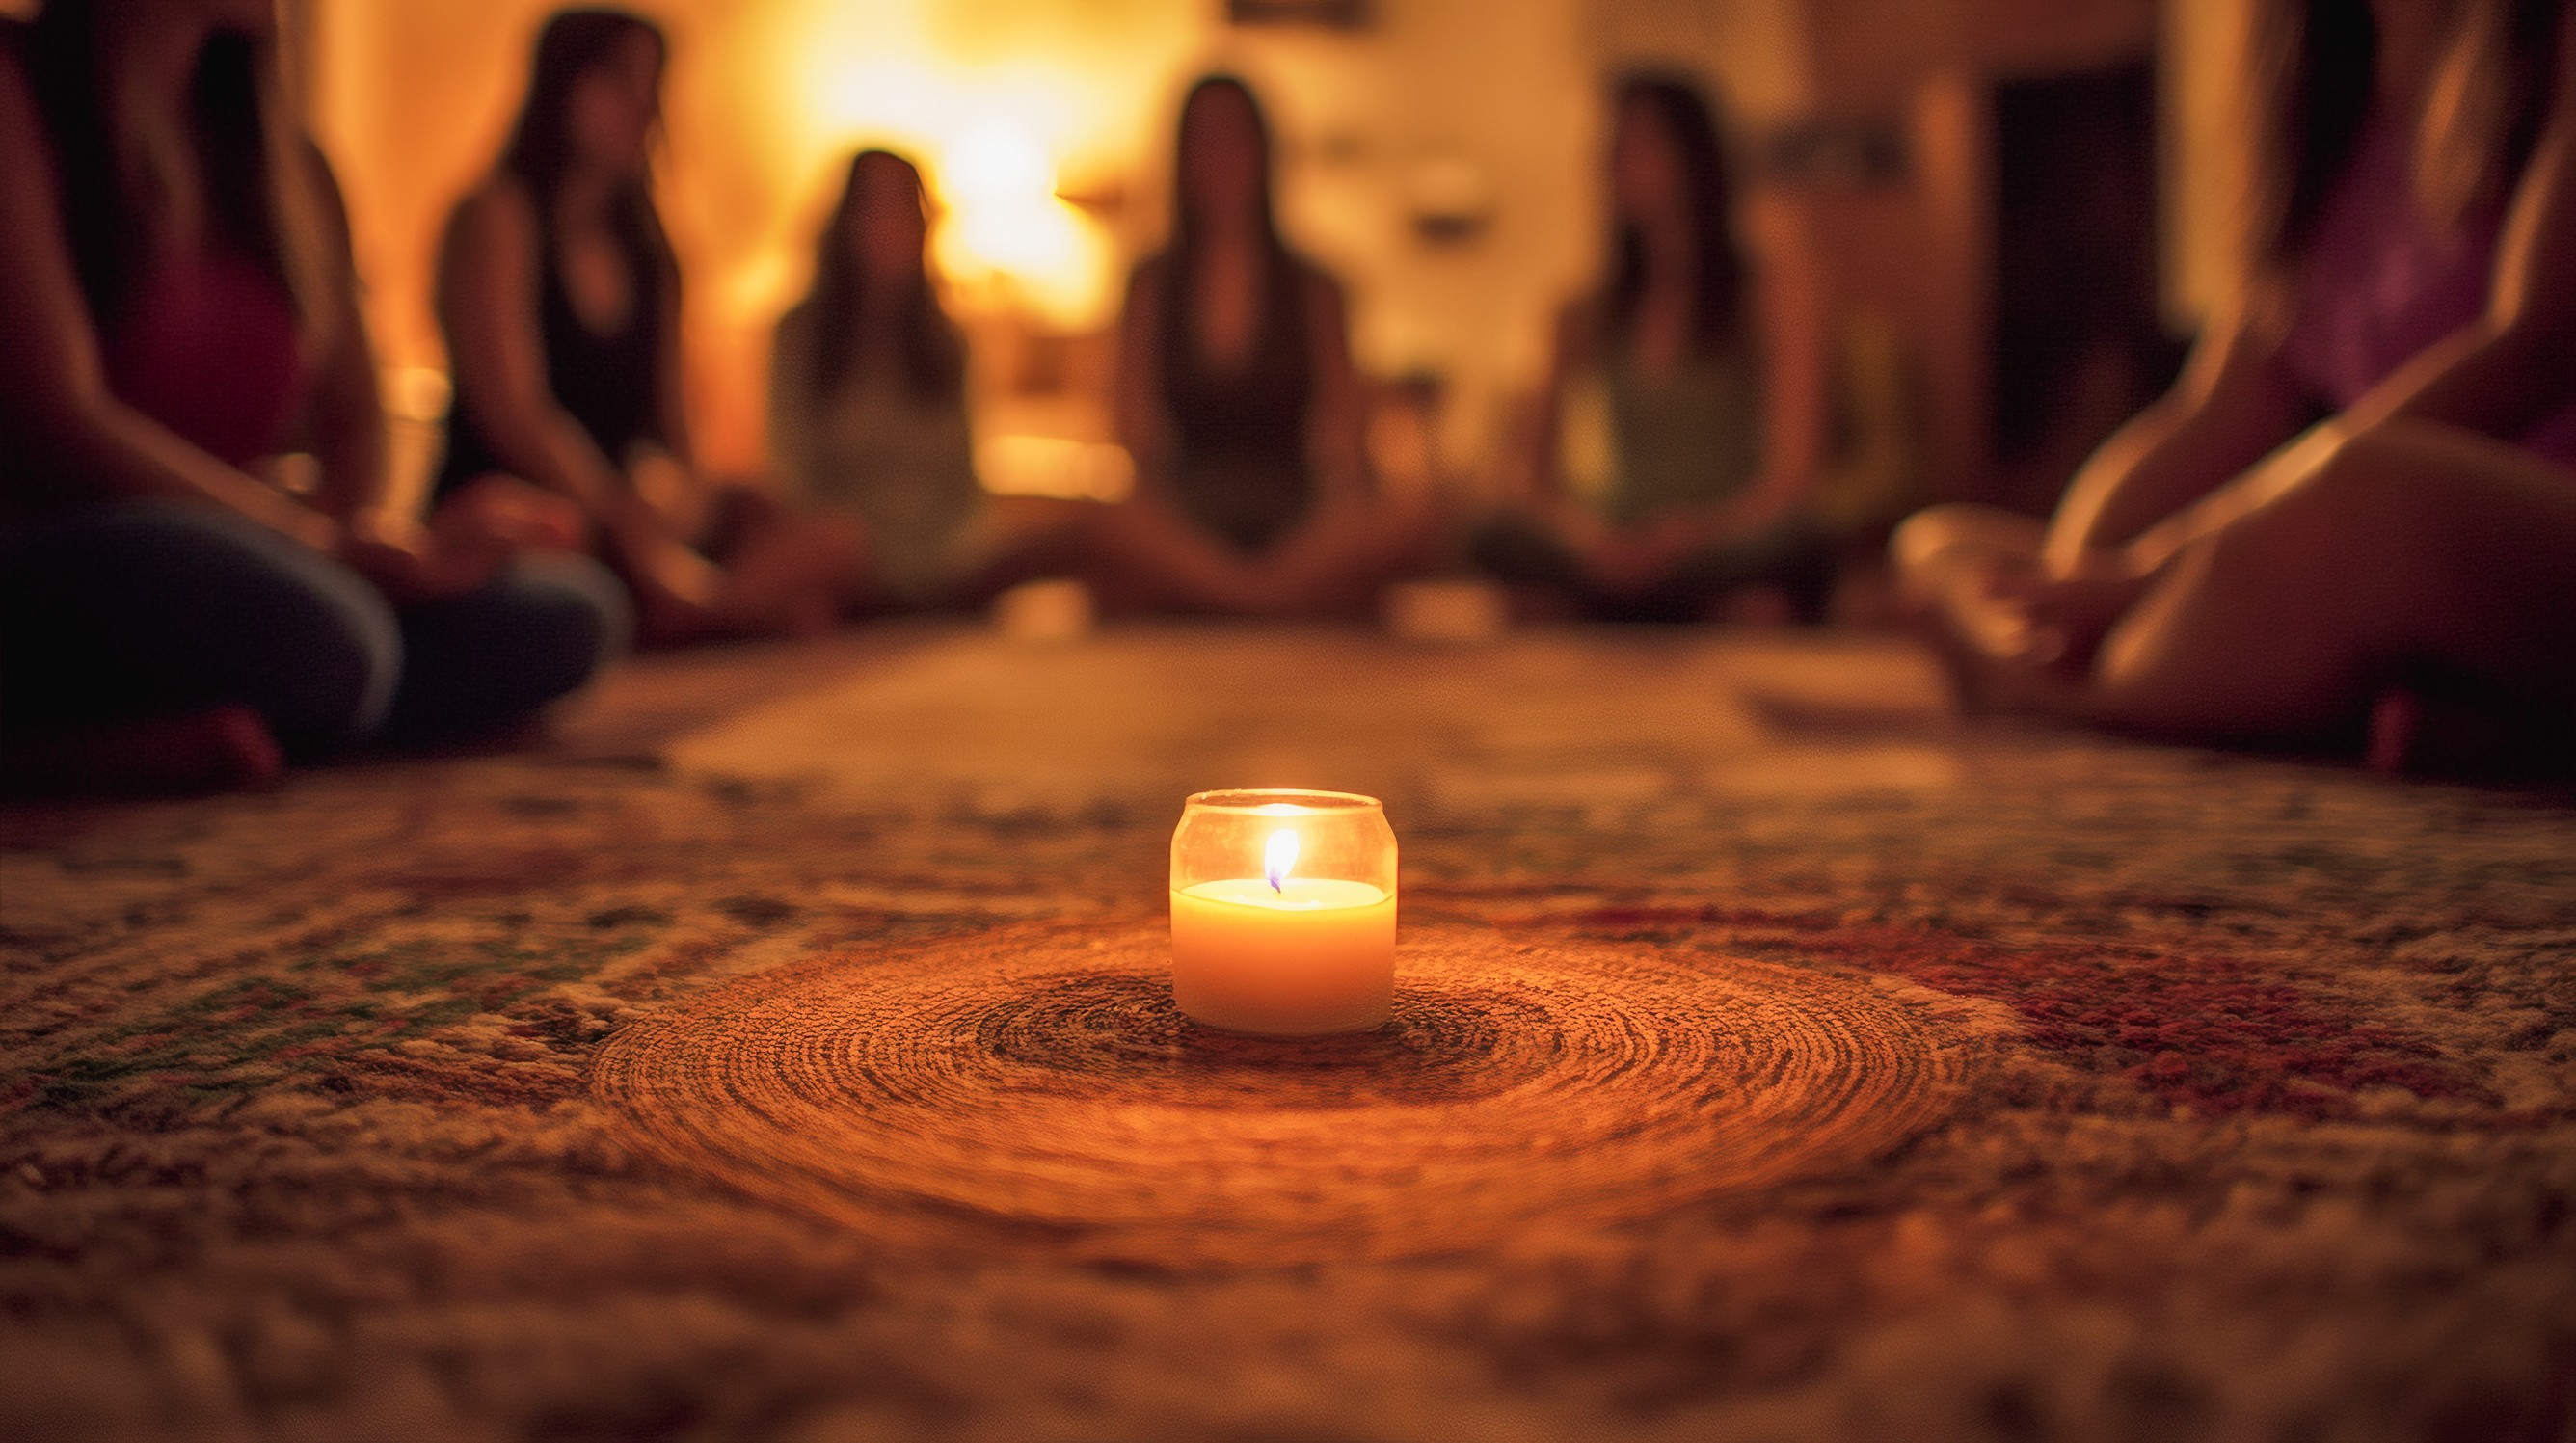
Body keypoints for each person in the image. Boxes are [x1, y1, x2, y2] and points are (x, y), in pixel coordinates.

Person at [1893, 0, 2576, 769]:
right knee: (1937, 543)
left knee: (2367, 495)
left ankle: (2055, 698)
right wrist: (2075, 575)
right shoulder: (2330, 109)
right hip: (2321, 540)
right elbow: (2217, 409)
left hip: (2516, 531)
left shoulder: (2555, 45)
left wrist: (2153, 573)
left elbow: (2536, 346)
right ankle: (2353, 697)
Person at [0, 0, 624, 795]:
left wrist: (377, 543)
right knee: (327, 637)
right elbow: (61, 417)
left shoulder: (286, 158)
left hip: (273, 542)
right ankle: (69, 744)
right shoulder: (19, 90)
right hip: (71, 546)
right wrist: (313, 544)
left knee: (564, 609)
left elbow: (360, 417)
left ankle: (232, 713)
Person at [436, 8, 859, 644]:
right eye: (617, 81)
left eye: (650, 86)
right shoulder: (498, 217)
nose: (639, 106)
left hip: (633, 510)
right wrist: (613, 508)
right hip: (534, 501)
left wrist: (673, 498)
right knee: (561, 567)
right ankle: (712, 609)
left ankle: (700, 603)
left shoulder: (650, 248)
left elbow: (675, 423)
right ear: (563, 85)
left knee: (820, 531)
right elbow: (514, 409)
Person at [1475, 75, 1833, 624]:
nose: (1617, 161)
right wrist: (1586, 537)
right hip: (1612, 544)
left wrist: (1693, 536)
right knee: (1494, 532)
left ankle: (1670, 602)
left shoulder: (1771, 292)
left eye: (1640, 142)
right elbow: (1528, 480)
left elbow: (1790, 478)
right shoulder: (1583, 311)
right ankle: (1659, 601)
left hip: (1720, 542)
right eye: (1611, 144)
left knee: (1801, 540)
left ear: (1696, 155)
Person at [1095, 74, 1431, 617]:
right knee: (1104, 528)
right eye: (1204, 138)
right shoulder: (1152, 282)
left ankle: (1240, 596)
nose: (1220, 156)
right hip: (1189, 512)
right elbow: (1132, 433)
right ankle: (1260, 599)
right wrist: (1151, 505)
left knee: (1415, 519)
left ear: (1266, 151)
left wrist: (1340, 512)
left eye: (1234, 137)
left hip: (1295, 508)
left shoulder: (1316, 285)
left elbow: (1343, 436)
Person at [770, 149, 1085, 610]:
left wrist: (941, 562)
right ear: (845, 221)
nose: (888, 226)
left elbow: (965, 487)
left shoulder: (946, 342)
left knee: (1089, 532)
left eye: (903, 208)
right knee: (818, 543)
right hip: (846, 564)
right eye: (874, 206)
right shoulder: (803, 335)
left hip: (946, 564)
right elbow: (791, 478)